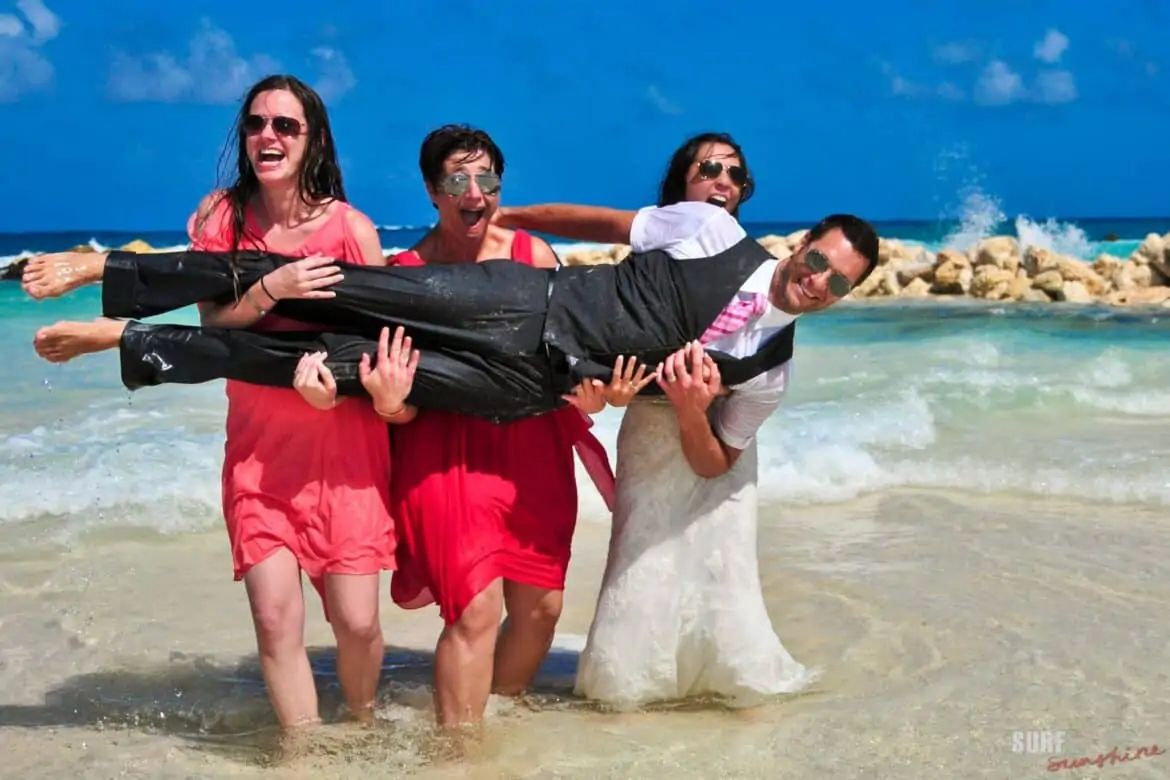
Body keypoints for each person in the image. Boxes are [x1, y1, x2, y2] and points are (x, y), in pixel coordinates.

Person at [22, 199, 873, 424]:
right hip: (517, 301)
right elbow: (610, 227)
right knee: (329, 281)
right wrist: (518, 218)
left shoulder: (767, 363)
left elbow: (656, 410)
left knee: (325, 367)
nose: (818, 283)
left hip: (523, 390)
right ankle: (116, 268)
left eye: (837, 285)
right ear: (801, 244)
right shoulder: (714, 230)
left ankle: (132, 340)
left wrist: (620, 403)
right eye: (818, 262)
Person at [496, 131, 823, 707]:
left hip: (716, 442)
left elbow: (751, 380)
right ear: (680, 184)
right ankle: (628, 690)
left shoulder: (749, 267)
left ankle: (721, 680)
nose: (723, 181)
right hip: (650, 433)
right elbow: (601, 226)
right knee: (642, 559)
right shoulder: (679, 237)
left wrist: (699, 405)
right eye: (709, 168)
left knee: (720, 569)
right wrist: (514, 216)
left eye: (735, 175)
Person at [132, 74, 400, 733]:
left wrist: (349, 391)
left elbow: (380, 342)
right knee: (276, 620)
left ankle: (361, 729)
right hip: (259, 454)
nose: (267, 136)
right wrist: (273, 287)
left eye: (285, 125)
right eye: (255, 124)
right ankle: (304, 758)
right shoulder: (220, 219)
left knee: (357, 625)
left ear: (313, 141)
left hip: (346, 455)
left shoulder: (351, 229)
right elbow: (215, 326)